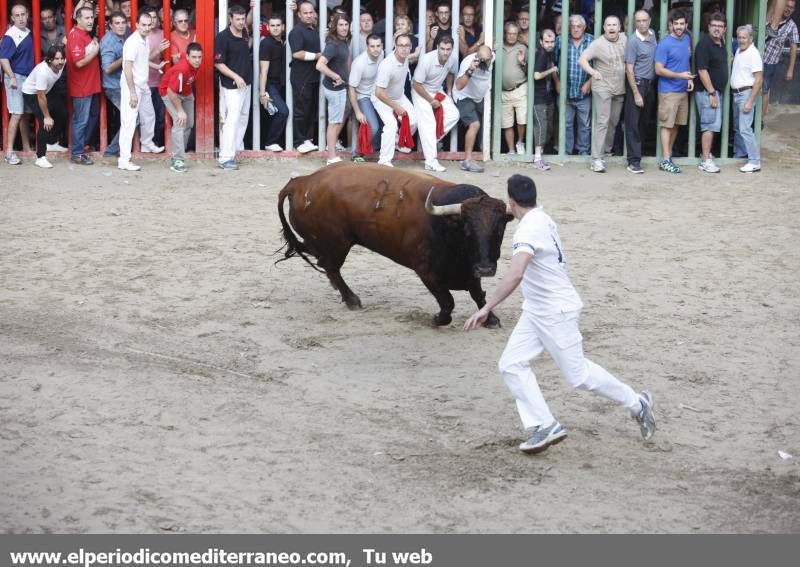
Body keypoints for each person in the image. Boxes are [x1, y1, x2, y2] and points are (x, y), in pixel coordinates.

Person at [464, 174, 656, 455]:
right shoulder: (542, 218)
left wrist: (486, 307)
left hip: (555, 311)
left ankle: (638, 403)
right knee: (511, 364)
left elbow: (516, 273)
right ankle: (545, 424)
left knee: (578, 375)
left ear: (511, 202)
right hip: (537, 309)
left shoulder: (527, 229)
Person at [579, 15, 627, 174]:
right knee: (602, 121)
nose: (612, 28)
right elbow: (582, 59)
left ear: (620, 27)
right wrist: (593, 73)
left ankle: (606, 151)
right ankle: (596, 159)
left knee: (613, 121)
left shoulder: (625, 39)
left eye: (615, 24)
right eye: (608, 25)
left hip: (619, 88)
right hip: (602, 87)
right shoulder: (598, 44)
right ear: (604, 27)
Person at [118, 11, 164, 172]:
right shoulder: (132, 42)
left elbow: (142, 61)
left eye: (148, 24)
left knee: (149, 114)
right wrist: (132, 92)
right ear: (136, 25)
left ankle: (147, 143)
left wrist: (156, 66)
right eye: (143, 25)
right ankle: (124, 159)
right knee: (128, 122)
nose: (146, 27)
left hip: (142, 84)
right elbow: (127, 67)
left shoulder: (144, 40)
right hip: (132, 85)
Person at [655, 9, 694, 174]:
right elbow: (658, 69)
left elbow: (686, 61)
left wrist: (689, 78)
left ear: (686, 25)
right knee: (666, 125)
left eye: (682, 24)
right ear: (671, 25)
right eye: (676, 24)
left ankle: (668, 156)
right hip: (668, 91)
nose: (679, 27)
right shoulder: (664, 43)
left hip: (682, 90)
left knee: (677, 124)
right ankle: (665, 159)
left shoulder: (687, 39)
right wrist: (680, 76)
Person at [412, 36, 459, 172]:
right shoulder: (427, 59)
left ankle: (430, 140)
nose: (445, 52)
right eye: (442, 49)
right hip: (420, 91)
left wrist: (449, 93)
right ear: (437, 47)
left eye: (448, 49)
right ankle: (431, 161)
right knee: (429, 123)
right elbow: (416, 84)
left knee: (454, 114)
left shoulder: (453, 58)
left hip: (437, 89)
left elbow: (450, 73)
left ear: (452, 49)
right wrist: (431, 101)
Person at [214, 3, 252, 170]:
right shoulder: (222, 37)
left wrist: (253, 9)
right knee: (232, 119)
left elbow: (245, 46)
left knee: (243, 117)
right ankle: (225, 157)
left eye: (243, 19)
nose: (241, 22)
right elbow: (218, 64)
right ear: (230, 19)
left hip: (246, 83)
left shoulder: (244, 32)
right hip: (231, 85)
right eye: (237, 19)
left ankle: (234, 150)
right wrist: (235, 76)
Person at [371, 33, 417, 167]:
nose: (404, 48)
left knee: (413, 121)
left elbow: (412, 56)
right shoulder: (387, 65)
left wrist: (418, 52)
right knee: (391, 125)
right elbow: (378, 92)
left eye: (407, 45)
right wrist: (396, 107)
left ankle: (398, 142)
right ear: (395, 46)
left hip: (398, 96)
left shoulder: (406, 57)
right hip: (381, 98)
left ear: (410, 47)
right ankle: (384, 160)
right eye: (401, 45)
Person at [66, 5, 101, 166]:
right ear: (78, 19)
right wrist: (95, 51)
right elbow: (78, 62)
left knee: (90, 117)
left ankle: (80, 148)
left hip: (90, 85)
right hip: (82, 87)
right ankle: (77, 153)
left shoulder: (84, 34)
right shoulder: (75, 36)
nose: (90, 20)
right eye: (86, 18)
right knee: (81, 120)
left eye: (91, 17)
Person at [21, 45, 66, 168]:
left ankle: (51, 142)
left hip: (46, 91)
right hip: (32, 94)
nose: (60, 61)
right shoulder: (43, 72)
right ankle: (40, 157)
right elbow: (40, 95)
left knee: (62, 113)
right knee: (45, 122)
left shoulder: (62, 63)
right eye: (56, 59)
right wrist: (46, 116)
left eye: (62, 58)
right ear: (50, 59)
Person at [694, 12, 728, 174]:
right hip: (708, 93)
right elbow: (702, 70)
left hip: (714, 93)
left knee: (712, 125)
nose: (717, 29)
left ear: (725, 29)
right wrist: (712, 92)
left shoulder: (721, 43)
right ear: (708, 27)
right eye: (714, 26)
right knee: (708, 126)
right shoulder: (704, 44)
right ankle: (706, 160)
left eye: (720, 26)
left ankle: (706, 155)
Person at [160, 42, 202, 173]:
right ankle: (178, 159)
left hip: (186, 92)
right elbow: (171, 92)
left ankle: (178, 153)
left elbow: (182, 54)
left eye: (199, 57)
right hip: (169, 92)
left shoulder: (187, 56)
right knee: (180, 121)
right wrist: (180, 110)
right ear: (188, 57)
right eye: (194, 57)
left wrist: (178, 55)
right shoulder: (182, 69)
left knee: (189, 123)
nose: (197, 60)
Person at [623, 9, 656, 174]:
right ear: (635, 23)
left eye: (644, 20)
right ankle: (633, 161)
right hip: (637, 83)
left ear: (649, 21)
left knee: (644, 122)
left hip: (650, 85)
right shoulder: (633, 41)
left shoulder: (653, 35)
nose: (642, 24)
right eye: (638, 21)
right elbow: (629, 69)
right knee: (633, 123)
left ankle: (639, 155)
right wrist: (636, 93)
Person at [1, 2, 34, 165]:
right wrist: (12, 77)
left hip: (26, 78)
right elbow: (3, 58)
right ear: (12, 18)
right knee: (16, 114)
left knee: (23, 115)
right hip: (16, 78)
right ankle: (9, 152)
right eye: (17, 15)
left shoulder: (27, 31)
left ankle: (27, 148)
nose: (21, 18)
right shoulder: (11, 35)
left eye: (23, 14)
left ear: (27, 15)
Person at [316, 13, 352, 166]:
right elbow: (319, 65)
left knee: (336, 121)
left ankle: (332, 153)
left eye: (346, 24)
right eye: (340, 25)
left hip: (339, 88)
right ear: (335, 27)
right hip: (335, 89)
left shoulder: (342, 41)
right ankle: (331, 157)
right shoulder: (334, 45)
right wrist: (335, 76)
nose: (344, 28)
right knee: (334, 123)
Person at [453, 44, 494, 173]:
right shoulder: (468, 62)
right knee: (475, 124)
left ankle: (483, 149)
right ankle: (467, 161)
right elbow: (459, 86)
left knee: (487, 121)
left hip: (479, 98)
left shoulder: (492, 58)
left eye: (485, 60)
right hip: (464, 96)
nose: (482, 62)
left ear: (491, 58)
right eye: (479, 58)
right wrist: (470, 70)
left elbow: (495, 46)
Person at [556, 15, 593, 156]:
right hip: (565, 92)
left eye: (579, 26)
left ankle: (583, 151)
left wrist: (590, 82)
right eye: (573, 26)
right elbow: (552, 62)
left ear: (584, 28)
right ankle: (566, 152)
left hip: (584, 92)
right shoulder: (560, 40)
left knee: (585, 125)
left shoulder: (591, 40)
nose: (576, 29)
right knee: (566, 124)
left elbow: (599, 65)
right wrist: (557, 81)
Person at [289, 0, 321, 154]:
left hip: (313, 77)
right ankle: (298, 141)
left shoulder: (313, 29)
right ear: (299, 14)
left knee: (311, 110)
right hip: (302, 78)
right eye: (305, 13)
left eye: (311, 12)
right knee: (301, 110)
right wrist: (317, 56)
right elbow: (297, 53)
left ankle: (307, 139)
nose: (309, 15)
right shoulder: (296, 31)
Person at [731, 25, 764, 173]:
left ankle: (754, 161)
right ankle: (740, 154)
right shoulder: (739, 50)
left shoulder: (753, 54)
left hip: (745, 94)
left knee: (745, 129)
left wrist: (750, 101)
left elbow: (758, 79)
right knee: (738, 127)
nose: (741, 40)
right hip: (737, 93)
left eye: (744, 37)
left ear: (751, 39)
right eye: (739, 37)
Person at [348, 33, 384, 161]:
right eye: (372, 46)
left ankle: (376, 149)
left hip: (377, 95)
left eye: (378, 46)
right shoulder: (359, 63)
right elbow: (351, 88)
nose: (376, 49)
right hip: (362, 96)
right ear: (367, 47)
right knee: (373, 127)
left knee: (388, 122)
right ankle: (357, 153)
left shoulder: (382, 55)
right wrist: (357, 112)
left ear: (382, 46)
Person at [99, 11, 129, 158]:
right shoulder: (108, 41)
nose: (121, 26)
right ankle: (111, 151)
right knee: (132, 118)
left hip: (123, 84)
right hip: (113, 86)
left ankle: (116, 149)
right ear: (110, 25)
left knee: (130, 117)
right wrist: (125, 58)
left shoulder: (126, 36)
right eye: (117, 23)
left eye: (123, 22)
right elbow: (107, 68)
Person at [258, 14, 289, 152]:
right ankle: (270, 142)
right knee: (283, 112)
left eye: (278, 25)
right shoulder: (266, 43)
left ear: (283, 27)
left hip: (281, 84)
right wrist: (262, 93)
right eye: (272, 26)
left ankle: (274, 142)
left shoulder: (283, 43)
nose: (275, 28)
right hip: (270, 84)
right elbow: (263, 70)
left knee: (275, 114)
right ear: (268, 27)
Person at [763, 0, 798, 118]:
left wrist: (790, 69)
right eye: (786, 6)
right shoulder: (771, 14)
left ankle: (760, 121)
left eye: (791, 8)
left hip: (770, 63)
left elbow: (794, 47)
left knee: (764, 91)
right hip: (756, 58)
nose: (788, 9)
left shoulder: (792, 25)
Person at [532, 29, 559, 171]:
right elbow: (536, 76)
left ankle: (540, 156)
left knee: (546, 128)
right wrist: (553, 70)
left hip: (547, 97)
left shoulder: (548, 54)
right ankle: (537, 159)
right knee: (541, 127)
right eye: (547, 42)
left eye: (552, 41)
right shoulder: (541, 54)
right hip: (539, 98)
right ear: (541, 42)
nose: (550, 44)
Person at [501, 22, 528, 155]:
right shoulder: (498, 47)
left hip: (520, 89)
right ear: (505, 34)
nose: (512, 36)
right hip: (503, 92)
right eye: (509, 33)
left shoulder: (522, 48)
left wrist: (522, 62)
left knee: (522, 120)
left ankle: (520, 142)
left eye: (514, 34)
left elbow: (530, 70)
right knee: (507, 123)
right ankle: (511, 150)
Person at [144, 6, 169, 149]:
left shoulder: (163, 33)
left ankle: (156, 144)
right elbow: (140, 59)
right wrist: (157, 50)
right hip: (145, 82)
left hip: (160, 82)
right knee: (147, 118)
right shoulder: (140, 35)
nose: (152, 20)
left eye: (154, 17)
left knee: (160, 117)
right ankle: (145, 145)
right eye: (149, 17)